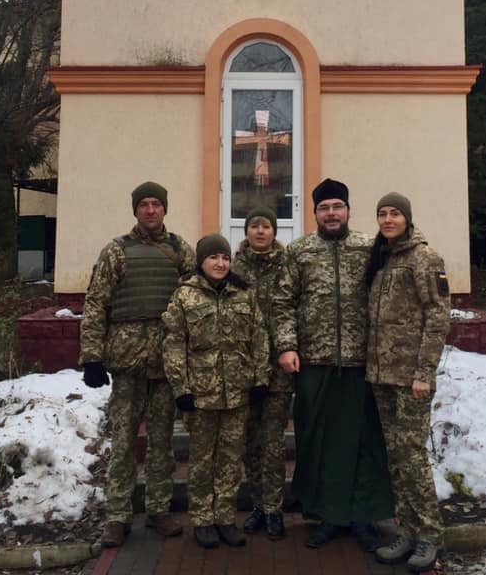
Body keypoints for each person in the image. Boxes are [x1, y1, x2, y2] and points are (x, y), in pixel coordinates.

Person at [273, 178, 395, 551]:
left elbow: (389, 296)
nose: (331, 214)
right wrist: (287, 346)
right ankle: (326, 515)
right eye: (324, 208)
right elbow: (282, 303)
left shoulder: (369, 248)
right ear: (314, 214)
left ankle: (361, 517)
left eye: (337, 207)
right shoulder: (299, 252)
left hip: (362, 362)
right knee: (319, 442)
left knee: (363, 443)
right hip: (316, 362)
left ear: (347, 210)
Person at [79, 181, 195, 550]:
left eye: (156, 204)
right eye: (143, 204)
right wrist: (92, 357)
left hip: (165, 362)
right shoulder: (116, 251)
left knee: (162, 441)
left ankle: (159, 510)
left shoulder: (180, 250)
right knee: (125, 441)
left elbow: (197, 300)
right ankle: (118, 515)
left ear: (164, 209)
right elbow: (96, 303)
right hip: (127, 363)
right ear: (135, 210)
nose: (149, 210)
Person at [162, 234, 270, 550]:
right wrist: (181, 388)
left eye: (225, 257)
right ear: (201, 262)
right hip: (200, 395)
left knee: (230, 459)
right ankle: (203, 520)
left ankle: (224, 517)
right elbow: (172, 344)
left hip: (237, 394)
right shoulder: (185, 296)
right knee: (202, 460)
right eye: (213, 258)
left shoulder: (243, 295)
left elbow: (259, 337)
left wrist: (260, 379)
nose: (221, 263)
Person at [365, 192, 450, 573]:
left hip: (410, 378)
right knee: (396, 459)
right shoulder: (381, 259)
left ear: (407, 218)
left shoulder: (424, 258)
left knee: (413, 457)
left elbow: (437, 317)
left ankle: (430, 535)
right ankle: (408, 530)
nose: (387, 219)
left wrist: (423, 373)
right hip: (381, 376)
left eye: (394, 213)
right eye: (382, 214)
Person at [232, 207, 292, 540]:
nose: (259, 231)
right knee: (250, 443)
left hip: (278, 372)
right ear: (246, 231)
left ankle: (274, 509)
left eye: (265, 226)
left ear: (274, 230)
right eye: (254, 226)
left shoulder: (287, 265)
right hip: (244, 371)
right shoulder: (233, 266)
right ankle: (257, 505)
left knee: (272, 444)